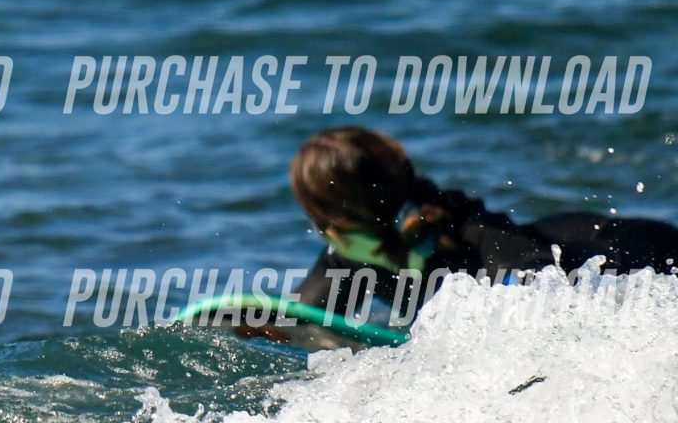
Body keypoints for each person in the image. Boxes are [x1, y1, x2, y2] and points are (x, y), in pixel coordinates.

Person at [288, 125, 678, 334]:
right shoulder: (349, 259)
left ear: (325, 218)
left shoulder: (474, 233)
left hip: (627, 247)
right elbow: (296, 319)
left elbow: (545, 287)